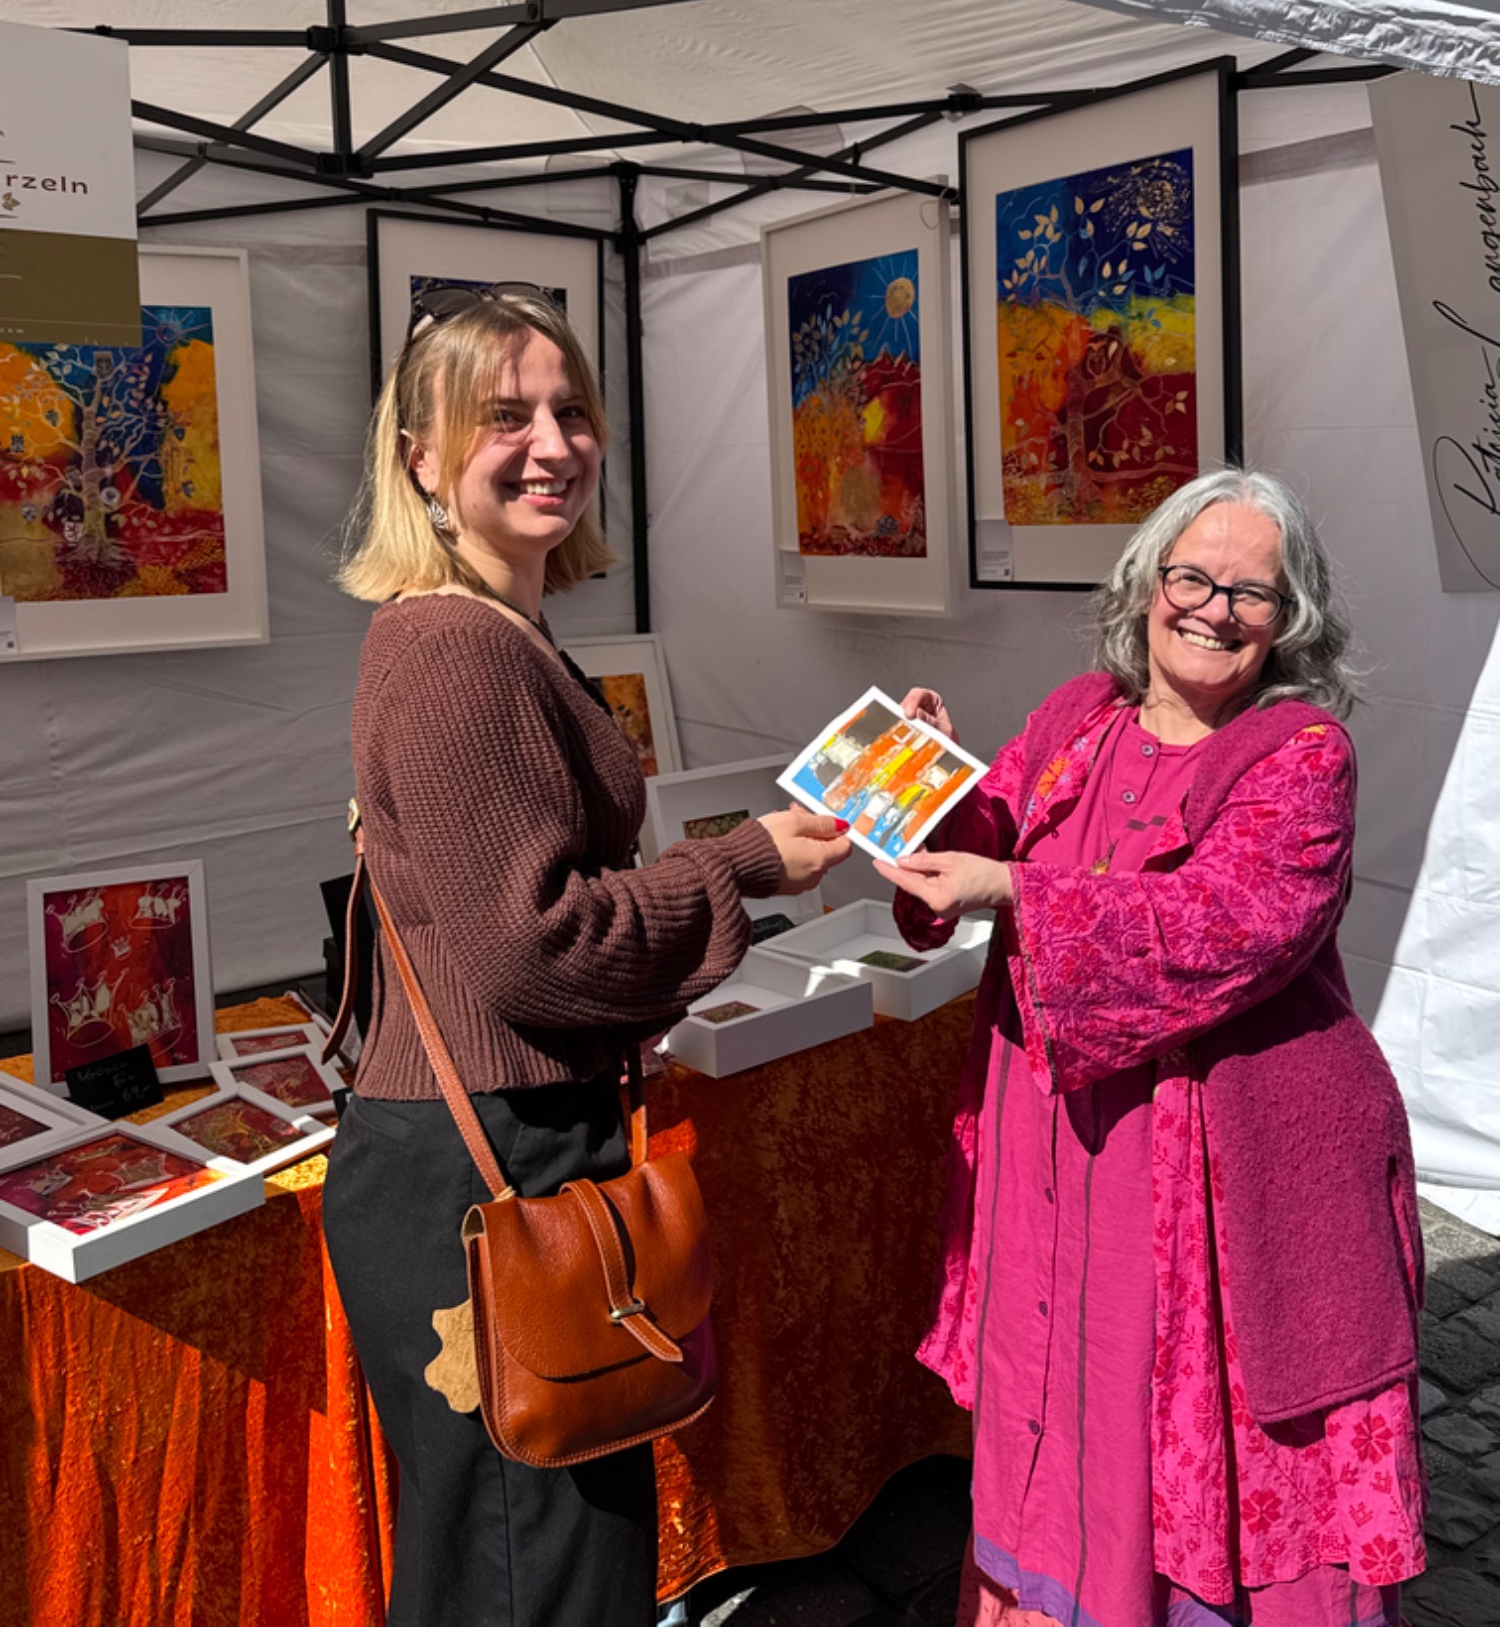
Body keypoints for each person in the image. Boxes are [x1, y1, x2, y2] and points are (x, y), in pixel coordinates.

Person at [325, 281, 850, 1627]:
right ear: (421, 458)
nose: (553, 444)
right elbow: (536, 946)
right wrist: (742, 864)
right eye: (505, 417)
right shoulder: (455, 649)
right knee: (532, 1575)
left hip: (497, 1146)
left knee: (522, 1559)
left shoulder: (498, 628)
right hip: (483, 1167)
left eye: (571, 411)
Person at [880, 468, 1425, 1627]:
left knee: (1168, 1402)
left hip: (1212, 1160)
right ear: (1145, 583)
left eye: (1251, 592)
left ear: (1290, 620)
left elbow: (1232, 921)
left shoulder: (1299, 752)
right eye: (1192, 577)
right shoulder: (1079, 715)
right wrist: (926, 782)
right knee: (1056, 1376)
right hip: (1051, 1132)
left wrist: (1011, 889)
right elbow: (991, 827)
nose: (1214, 608)